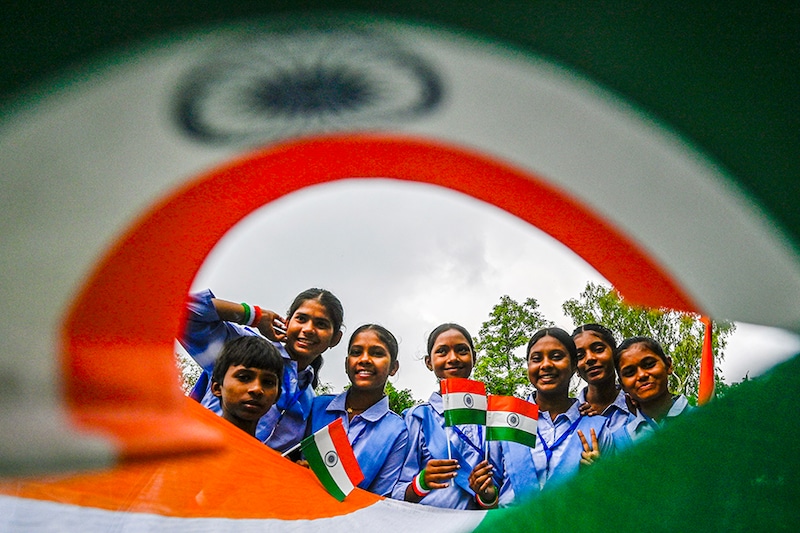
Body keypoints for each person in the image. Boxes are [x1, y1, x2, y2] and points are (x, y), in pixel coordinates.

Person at [180, 288, 343, 453]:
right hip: (198, 459)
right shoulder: (242, 347)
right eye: (301, 319)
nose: (308, 329)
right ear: (287, 323)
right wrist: (253, 316)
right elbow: (180, 310)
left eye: (321, 324)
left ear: (335, 339)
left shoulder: (308, 400)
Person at [496, 327, 611, 506]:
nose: (546, 364)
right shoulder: (507, 422)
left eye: (556, 357)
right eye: (536, 359)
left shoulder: (597, 427)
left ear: (574, 365)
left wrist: (599, 477)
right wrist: (486, 494)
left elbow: (610, 500)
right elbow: (490, 492)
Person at [392, 323, 499, 510]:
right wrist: (421, 483)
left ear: (474, 357)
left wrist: (487, 495)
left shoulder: (495, 416)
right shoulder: (417, 417)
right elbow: (396, 491)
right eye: (442, 351)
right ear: (429, 362)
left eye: (462, 350)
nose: (453, 358)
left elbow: (506, 489)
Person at [307, 324, 408, 496]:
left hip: (349, 519)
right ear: (347, 364)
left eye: (377, 353)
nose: (364, 359)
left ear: (394, 367)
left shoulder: (397, 430)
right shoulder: (317, 406)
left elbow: (381, 497)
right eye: (356, 352)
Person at [612, 336, 691, 452]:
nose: (642, 375)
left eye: (649, 364)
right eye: (629, 372)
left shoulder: (704, 418)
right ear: (623, 385)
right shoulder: (620, 441)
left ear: (668, 365)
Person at [210, 335, 283, 437]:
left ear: (277, 395)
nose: (257, 389)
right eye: (244, 377)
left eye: (268, 382)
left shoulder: (264, 453)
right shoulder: (188, 444)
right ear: (217, 387)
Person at [572, 324, 633, 432]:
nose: (590, 358)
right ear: (575, 368)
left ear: (614, 354)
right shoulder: (570, 414)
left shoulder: (638, 405)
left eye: (598, 349)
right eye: (580, 356)